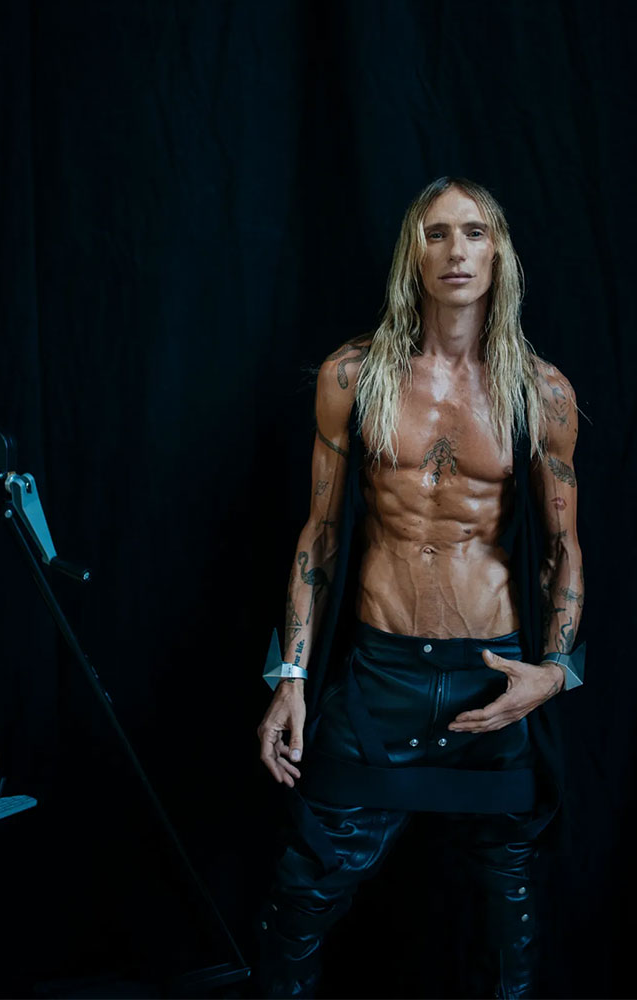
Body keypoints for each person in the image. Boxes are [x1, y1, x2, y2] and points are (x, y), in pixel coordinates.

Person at [255, 176, 585, 999]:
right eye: (435, 234)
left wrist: (554, 673)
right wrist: (289, 676)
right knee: (301, 897)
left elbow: (562, 548)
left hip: (493, 680)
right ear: (413, 255)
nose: (454, 251)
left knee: (507, 915)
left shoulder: (539, 392)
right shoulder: (354, 375)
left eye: (473, 232)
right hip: (381, 678)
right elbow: (320, 535)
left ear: (498, 253)